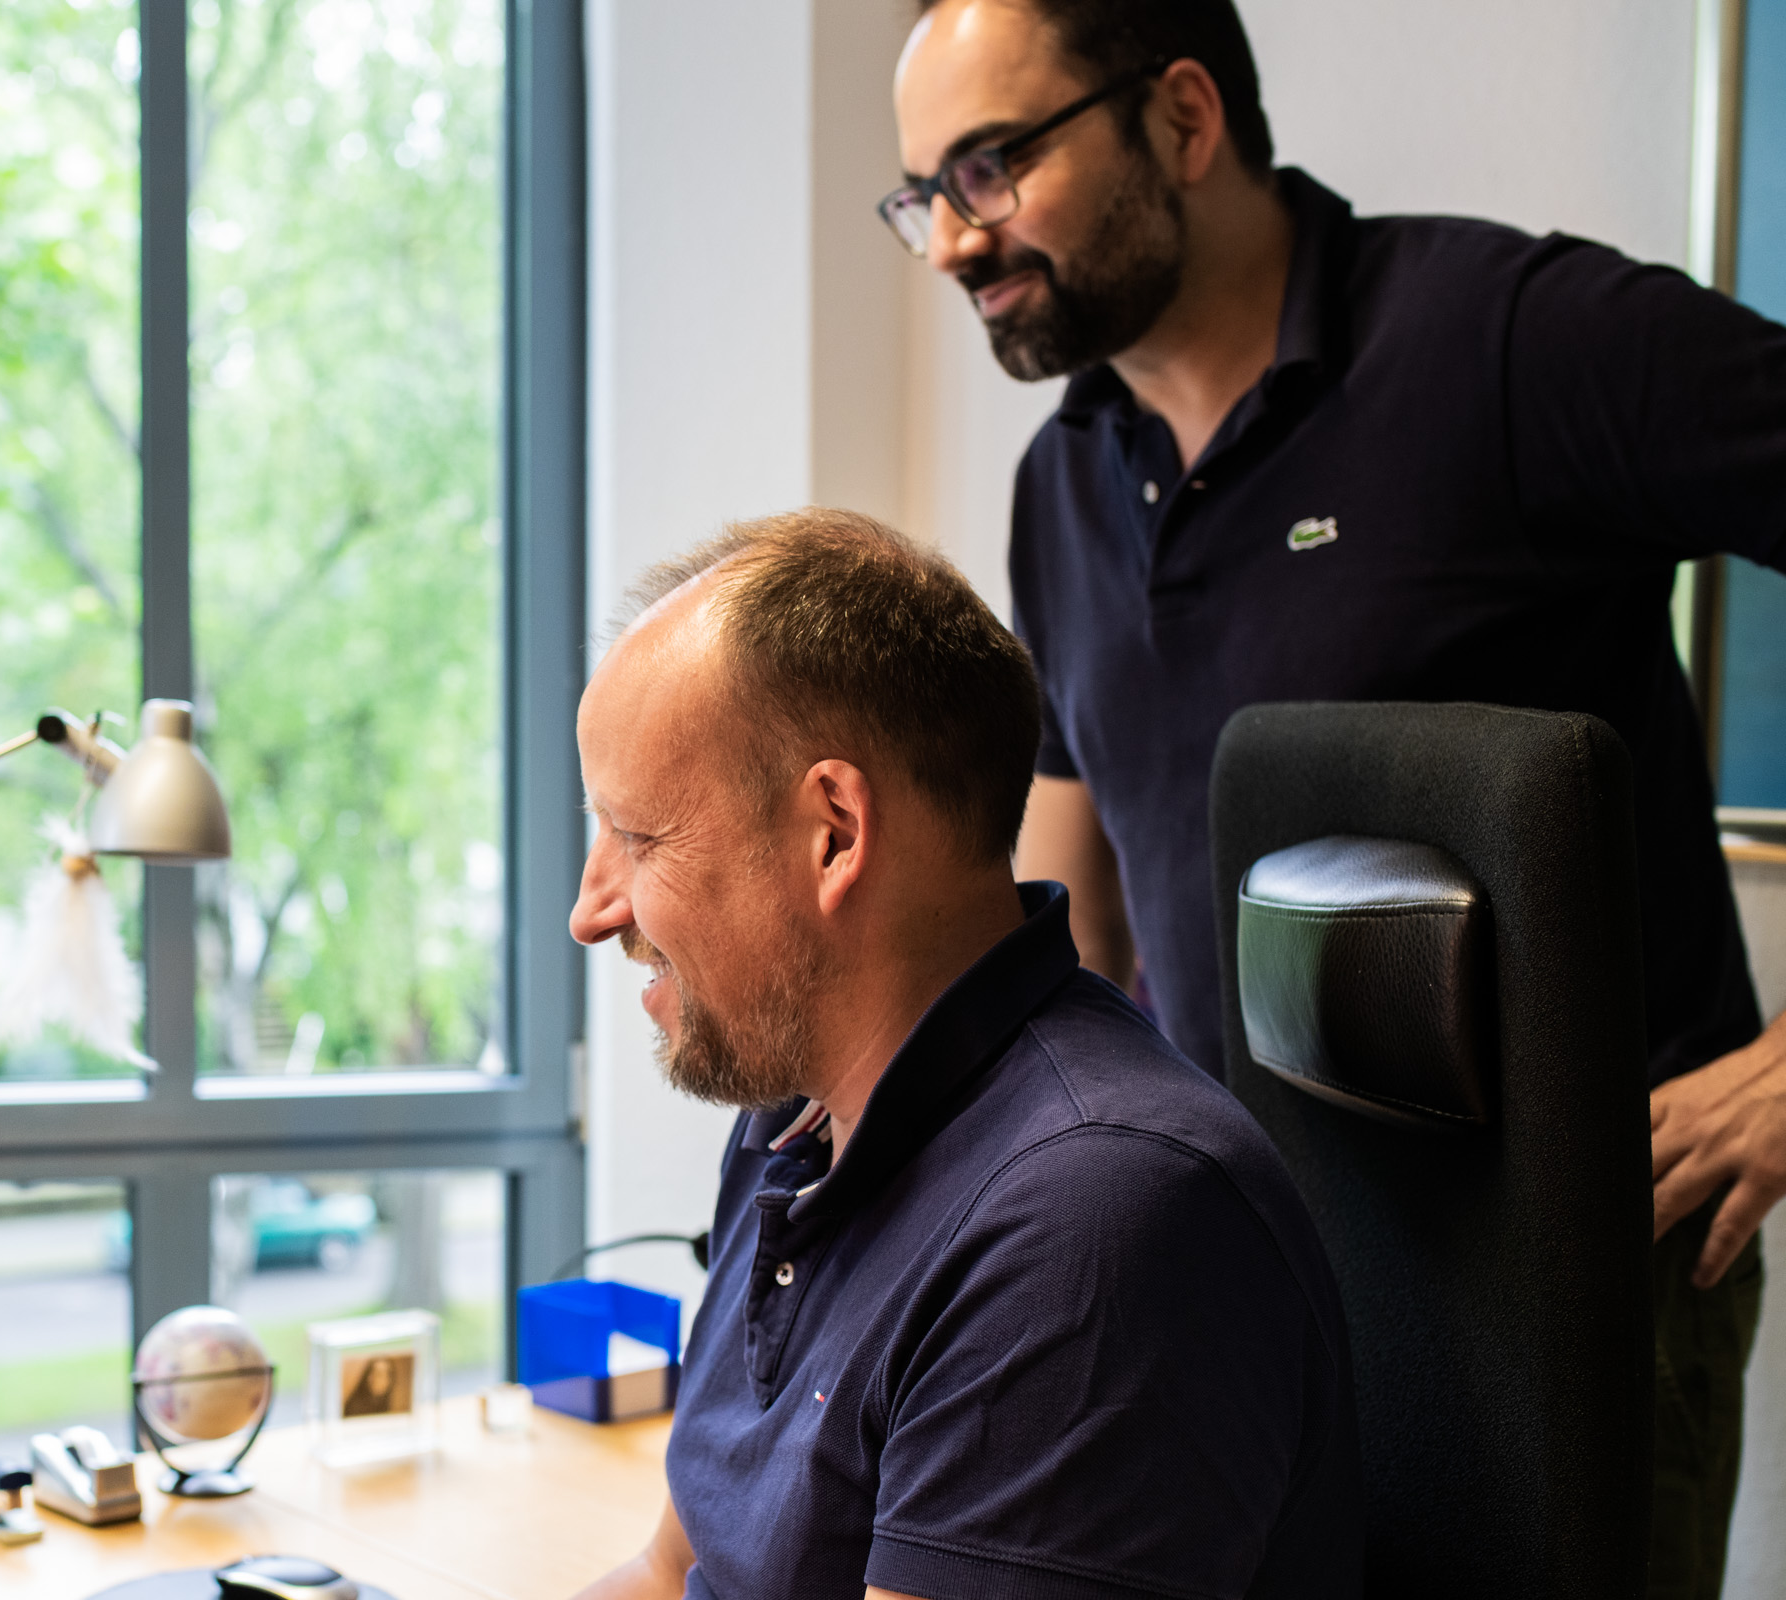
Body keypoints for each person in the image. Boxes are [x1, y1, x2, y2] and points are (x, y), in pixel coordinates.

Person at [884, 4, 1786, 1593]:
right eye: (925, 194)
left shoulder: (1512, 339)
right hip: (1239, 1288)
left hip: (1565, 1288)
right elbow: (1072, 917)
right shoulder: (1064, 478)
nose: (956, 239)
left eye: (995, 166)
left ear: (1181, 116)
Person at [567, 509, 1360, 1600]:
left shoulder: (1095, 1224)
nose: (592, 910)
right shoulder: (797, 1123)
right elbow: (670, 1573)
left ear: (835, 832)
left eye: (638, 836)